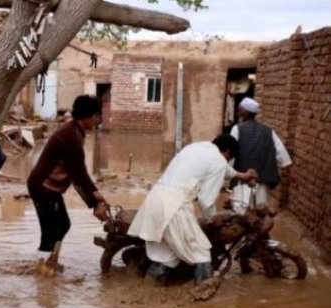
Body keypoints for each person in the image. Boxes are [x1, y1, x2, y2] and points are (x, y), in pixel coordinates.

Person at [128, 135, 256, 284]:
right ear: (227, 152)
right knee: (201, 253)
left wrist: (241, 175)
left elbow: (223, 168)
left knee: (167, 256)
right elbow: (206, 200)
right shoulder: (219, 161)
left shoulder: (197, 148)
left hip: (155, 200)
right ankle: (202, 298)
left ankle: (144, 290)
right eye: (229, 158)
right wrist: (212, 220)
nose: (226, 162)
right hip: (175, 207)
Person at [27, 95, 109, 275]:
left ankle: (50, 263)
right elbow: (78, 175)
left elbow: (80, 172)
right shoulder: (70, 137)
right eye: (96, 116)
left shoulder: (76, 132)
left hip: (50, 189)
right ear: (87, 117)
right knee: (50, 231)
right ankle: (43, 270)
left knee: (63, 225)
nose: (98, 120)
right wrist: (94, 204)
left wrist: (96, 194)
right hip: (42, 188)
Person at [229, 97, 293, 213]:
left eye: (239, 109)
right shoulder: (268, 131)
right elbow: (282, 156)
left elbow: (231, 154)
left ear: (245, 112)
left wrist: (229, 173)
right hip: (263, 180)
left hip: (243, 179)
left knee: (241, 214)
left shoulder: (237, 129)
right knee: (260, 213)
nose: (238, 112)